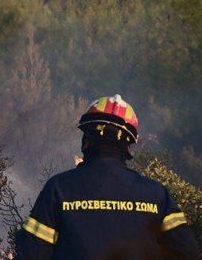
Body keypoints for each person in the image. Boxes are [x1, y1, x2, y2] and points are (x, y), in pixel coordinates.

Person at [15, 94, 199, 259]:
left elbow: (32, 252)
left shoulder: (59, 188)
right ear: (128, 146)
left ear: (86, 141)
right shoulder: (157, 195)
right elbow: (186, 252)